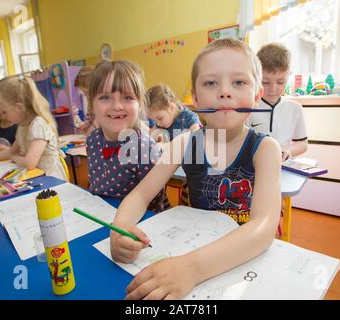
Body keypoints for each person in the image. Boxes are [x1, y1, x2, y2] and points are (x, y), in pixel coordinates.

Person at [110, 39, 282, 300]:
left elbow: (264, 227)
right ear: (195, 97)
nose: (224, 92)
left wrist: (190, 268)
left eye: (239, 82)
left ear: (257, 94)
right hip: (193, 257)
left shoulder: (266, 149)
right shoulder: (184, 143)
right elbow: (140, 195)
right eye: (211, 83)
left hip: (242, 261)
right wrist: (120, 227)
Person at [86, 59, 168, 212]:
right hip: (98, 219)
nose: (117, 106)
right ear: (91, 104)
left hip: (137, 227)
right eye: (105, 97)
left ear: (140, 104)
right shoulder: (92, 141)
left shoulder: (145, 149)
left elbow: (155, 204)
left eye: (128, 97)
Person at [0, 75, 67, 180]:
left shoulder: (38, 124)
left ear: (19, 107)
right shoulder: (23, 125)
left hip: (51, 179)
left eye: (4, 112)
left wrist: (14, 158)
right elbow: (11, 151)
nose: (2, 116)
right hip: (36, 175)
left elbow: (29, 162)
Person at [246, 43, 308, 161]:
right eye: (265, 82)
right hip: (253, 166)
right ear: (256, 77)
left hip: (283, 166)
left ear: (289, 76)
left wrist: (288, 150)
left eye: (280, 82)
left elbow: (303, 144)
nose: (273, 89)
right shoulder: (248, 107)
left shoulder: (295, 108)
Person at [74, 66, 99, 134]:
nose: (84, 95)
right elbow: (90, 118)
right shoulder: (90, 100)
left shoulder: (100, 102)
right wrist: (87, 124)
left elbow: (100, 119)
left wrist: (91, 128)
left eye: (86, 92)